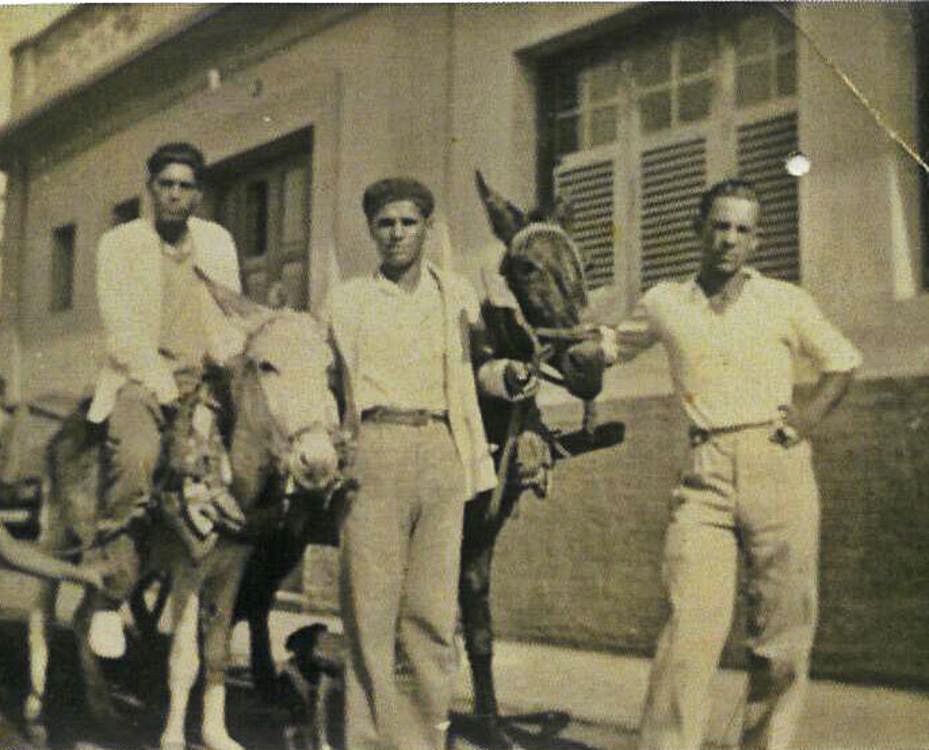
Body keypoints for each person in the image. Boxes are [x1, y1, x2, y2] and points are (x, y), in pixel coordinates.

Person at [595, 179, 861, 750]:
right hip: (705, 471)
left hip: (777, 463)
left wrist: (804, 421)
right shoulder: (666, 301)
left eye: (742, 229)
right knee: (689, 628)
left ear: (757, 241)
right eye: (719, 226)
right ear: (699, 230)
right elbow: (608, 347)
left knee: (782, 637)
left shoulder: (785, 300)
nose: (728, 239)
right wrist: (573, 345)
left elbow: (841, 363)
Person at [326, 177, 536, 750]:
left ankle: (420, 742)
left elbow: (479, 370)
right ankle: (368, 741)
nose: (397, 234)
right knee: (370, 613)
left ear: (426, 227)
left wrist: (510, 378)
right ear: (372, 230)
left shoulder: (456, 294)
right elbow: (326, 383)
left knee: (431, 614)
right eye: (385, 224)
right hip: (374, 446)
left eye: (408, 222)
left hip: (442, 451)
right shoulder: (347, 300)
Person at [87, 141, 243, 591]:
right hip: (142, 380)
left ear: (198, 195)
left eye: (185, 186)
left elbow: (230, 312)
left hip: (206, 382)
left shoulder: (217, 242)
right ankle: (113, 578)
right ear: (151, 188)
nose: (175, 194)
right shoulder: (120, 244)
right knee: (138, 458)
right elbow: (122, 334)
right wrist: (166, 388)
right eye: (166, 184)